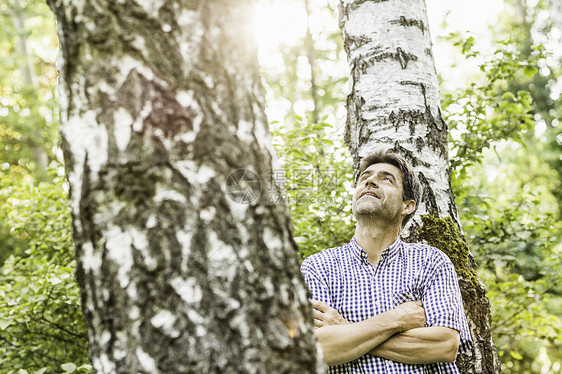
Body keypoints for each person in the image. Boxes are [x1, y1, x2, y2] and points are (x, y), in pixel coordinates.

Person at [300, 149, 471, 373]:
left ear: (407, 206)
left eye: (386, 179)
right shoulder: (317, 267)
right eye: (365, 177)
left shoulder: (432, 261)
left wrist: (346, 330)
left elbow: (445, 346)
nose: (370, 181)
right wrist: (398, 319)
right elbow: (319, 348)